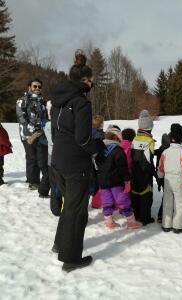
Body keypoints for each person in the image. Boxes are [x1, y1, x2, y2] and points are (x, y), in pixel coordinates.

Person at [51, 50, 103, 272]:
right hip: (75, 165)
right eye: (92, 81)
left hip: (58, 161)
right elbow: (83, 138)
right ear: (84, 81)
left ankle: (59, 244)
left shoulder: (58, 101)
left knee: (69, 207)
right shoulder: (81, 103)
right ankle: (71, 258)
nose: (93, 84)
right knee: (76, 210)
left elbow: (57, 132)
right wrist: (98, 149)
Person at [98, 127, 142, 229]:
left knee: (107, 201)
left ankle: (109, 222)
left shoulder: (100, 149)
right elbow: (123, 167)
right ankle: (131, 222)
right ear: (118, 137)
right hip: (116, 181)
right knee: (123, 201)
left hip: (103, 181)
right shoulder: (118, 150)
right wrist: (127, 180)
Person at [157, 123, 182, 233]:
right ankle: (178, 226)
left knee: (167, 202)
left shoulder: (165, 152)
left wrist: (160, 175)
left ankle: (166, 224)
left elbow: (161, 167)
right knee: (180, 203)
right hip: (179, 181)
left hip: (167, 180)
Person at [16, 78, 49, 196]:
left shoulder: (42, 101)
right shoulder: (22, 100)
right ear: (29, 86)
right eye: (35, 86)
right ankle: (33, 181)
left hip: (40, 133)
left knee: (41, 157)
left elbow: (45, 116)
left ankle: (39, 179)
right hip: (27, 134)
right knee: (31, 157)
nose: (37, 89)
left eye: (39, 87)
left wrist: (45, 125)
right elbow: (21, 116)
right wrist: (30, 126)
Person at [131, 110, 156, 225]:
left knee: (135, 191)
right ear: (149, 128)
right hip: (145, 171)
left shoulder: (134, 139)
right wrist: (152, 170)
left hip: (134, 170)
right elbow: (149, 158)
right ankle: (144, 218)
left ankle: (136, 214)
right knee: (146, 194)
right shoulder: (149, 141)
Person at [43, 101, 63, 216]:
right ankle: (57, 208)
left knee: (54, 184)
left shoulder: (47, 125)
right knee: (58, 185)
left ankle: (55, 209)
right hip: (59, 158)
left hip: (51, 158)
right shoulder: (57, 125)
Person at [154, 133, 170, 223]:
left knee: (166, 195)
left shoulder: (160, 149)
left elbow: (153, 152)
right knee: (166, 196)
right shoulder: (166, 151)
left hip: (160, 175)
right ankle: (161, 215)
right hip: (164, 175)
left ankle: (162, 214)